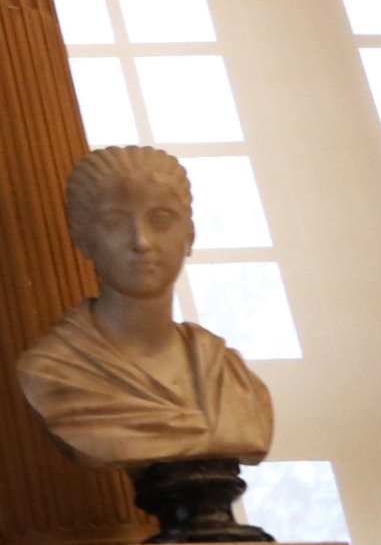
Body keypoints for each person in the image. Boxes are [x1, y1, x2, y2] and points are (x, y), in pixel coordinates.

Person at [18, 143, 273, 469]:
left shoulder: (229, 373)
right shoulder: (53, 374)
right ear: (83, 239)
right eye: (115, 222)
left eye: (161, 220)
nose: (141, 241)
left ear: (190, 234)